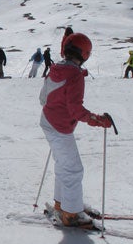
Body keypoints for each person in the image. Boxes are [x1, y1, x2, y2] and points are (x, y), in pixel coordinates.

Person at [39, 33, 113, 227]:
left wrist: (56, 109)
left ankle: (64, 203)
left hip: (48, 122)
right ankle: (71, 214)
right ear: (85, 54)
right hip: (60, 127)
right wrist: (97, 120)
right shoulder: (75, 76)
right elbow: (75, 110)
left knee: (63, 164)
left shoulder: (54, 69)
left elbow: (42, 99)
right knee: (73, 169)